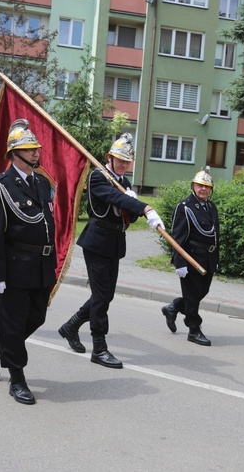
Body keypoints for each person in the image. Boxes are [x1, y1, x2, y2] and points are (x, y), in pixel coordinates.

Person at [58, 135, 164, 368]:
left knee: (106, 295)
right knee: (101, 296)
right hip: (97, 242)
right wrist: (143, 205)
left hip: (115, 243)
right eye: (119, 160)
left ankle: (71, 326)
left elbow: (128, 216)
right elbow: (111, 197)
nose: (124, 165)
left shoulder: (124, 183)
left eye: (127, 161)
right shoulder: (98, 177)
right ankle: (99, 348)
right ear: (109, 158)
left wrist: (134, 204)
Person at [0, 119, 57, 405]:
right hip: (14, 265)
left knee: (37, 317)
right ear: (14, 154)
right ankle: (17, 379)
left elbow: (48, 224)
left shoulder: (42, 183)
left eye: (36, 149)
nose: (35, 153)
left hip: (41, 266)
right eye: (29, 149)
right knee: (13, 322)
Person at [161, 166, 220, 346]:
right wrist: (180, 263)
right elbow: (177, 238)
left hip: (207, 258)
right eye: (199, 185)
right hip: (191, 257)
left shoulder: (211, 207)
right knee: (193, 295)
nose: (203, 189)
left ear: (211, 189)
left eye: (207, 186)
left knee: (202, 292)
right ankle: (194, 329)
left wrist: (215, 260)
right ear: (193, 186)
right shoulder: (185, 207)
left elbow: (216, 236)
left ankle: (174, 308)